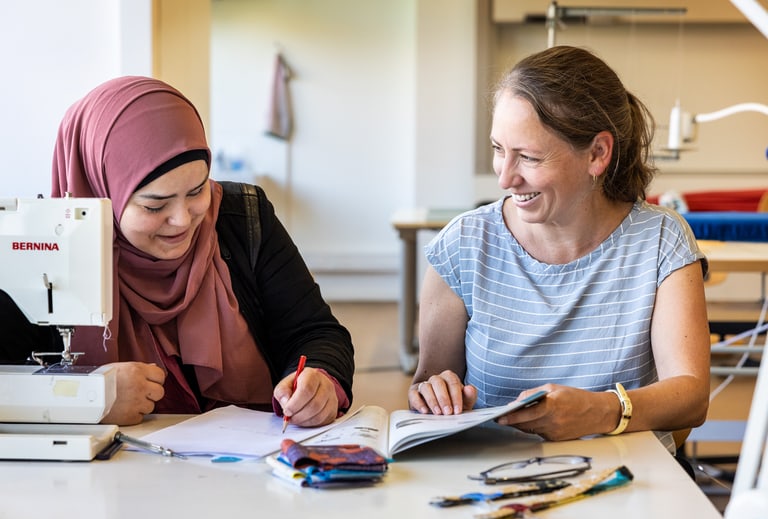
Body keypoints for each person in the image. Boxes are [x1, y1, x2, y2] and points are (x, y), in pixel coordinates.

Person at [0, 76, 354, 426]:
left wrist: (320, 381)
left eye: (198, 191)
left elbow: (315, 332)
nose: (183, 220)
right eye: (155, 206)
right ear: (101, 193)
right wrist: (88, 399)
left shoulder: (241, 219)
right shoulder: (41, 244)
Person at [408, 46, 710, 454]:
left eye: (529, 157)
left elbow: (691, 395)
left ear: (598, 154)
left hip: (631, 488)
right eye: (499, 150)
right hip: (495, 483)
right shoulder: (463, 246)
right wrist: (432, 393)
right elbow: (428, 385)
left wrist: (600, 411)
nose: (505, 178)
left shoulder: (660, 240)